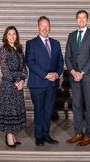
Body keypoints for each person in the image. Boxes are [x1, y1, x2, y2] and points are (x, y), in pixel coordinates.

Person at [25, 16, 64, 146]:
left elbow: (60, 62)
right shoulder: (31, 43)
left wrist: (57, 74)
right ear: (38, 27)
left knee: (48, 110)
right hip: (37, 84)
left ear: (50, 27)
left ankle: (46, 134)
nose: (44, 28)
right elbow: (30, 62)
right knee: (38, 110)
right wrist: (46, 75)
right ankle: (38, 136)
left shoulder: (56, 43)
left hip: (52, 84)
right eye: (42, 26)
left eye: (47, 26)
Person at [65, 10, 90, 146]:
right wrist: (73, 72)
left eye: (84, 17)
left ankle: (89, 135)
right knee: (77, 105)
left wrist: (82, 72)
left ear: (88, 20)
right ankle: (78, 133)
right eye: (79, 18)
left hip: (88, 76)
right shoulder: (71, 35)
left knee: (89, 106)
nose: (81, 20)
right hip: (74, 77)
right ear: (76, 20)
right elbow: (67, 56)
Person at [0, 26, 27, 148]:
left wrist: (22, 80)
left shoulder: (19, 49)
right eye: (9, 34)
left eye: (14, 34)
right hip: (8, 85)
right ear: (6, 36)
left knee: (16, 109)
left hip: (18, 84)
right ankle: (9, 135)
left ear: (17, 36)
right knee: (9, 110)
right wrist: (15, 81)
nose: (12, 36)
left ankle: (13, 134)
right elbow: (4, 68)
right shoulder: (4, 49)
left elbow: (24, 67)